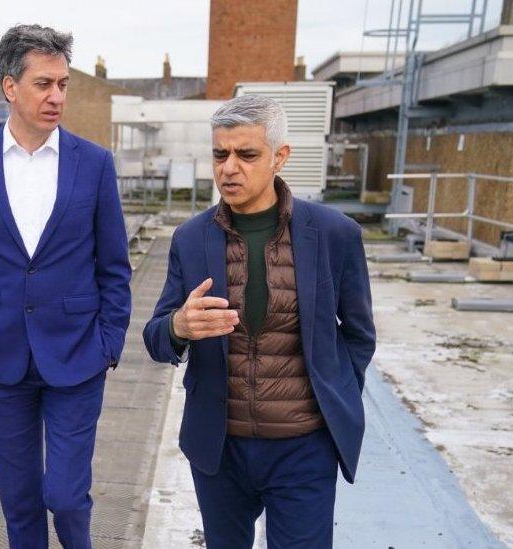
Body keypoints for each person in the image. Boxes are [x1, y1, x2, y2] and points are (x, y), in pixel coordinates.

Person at [0, 24, 132, 549]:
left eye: (63, 84)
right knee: (18, 504)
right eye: (44, 84)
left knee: (64, 496)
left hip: (79, 356)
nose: (57, 96)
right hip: (3, 361)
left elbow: (114, 267)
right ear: (9, 87)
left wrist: (109, 344)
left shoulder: (95, 164)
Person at [142, 95, 376, 548]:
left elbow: (360, 335)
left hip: (304, 447)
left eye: (246, 155)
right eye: (219, 154)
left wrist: (337, 395)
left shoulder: (334, 234)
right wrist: (178, 326)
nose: (229, 168)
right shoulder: (191, 238)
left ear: (279, 157)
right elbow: (155, 338)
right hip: (219, 448)